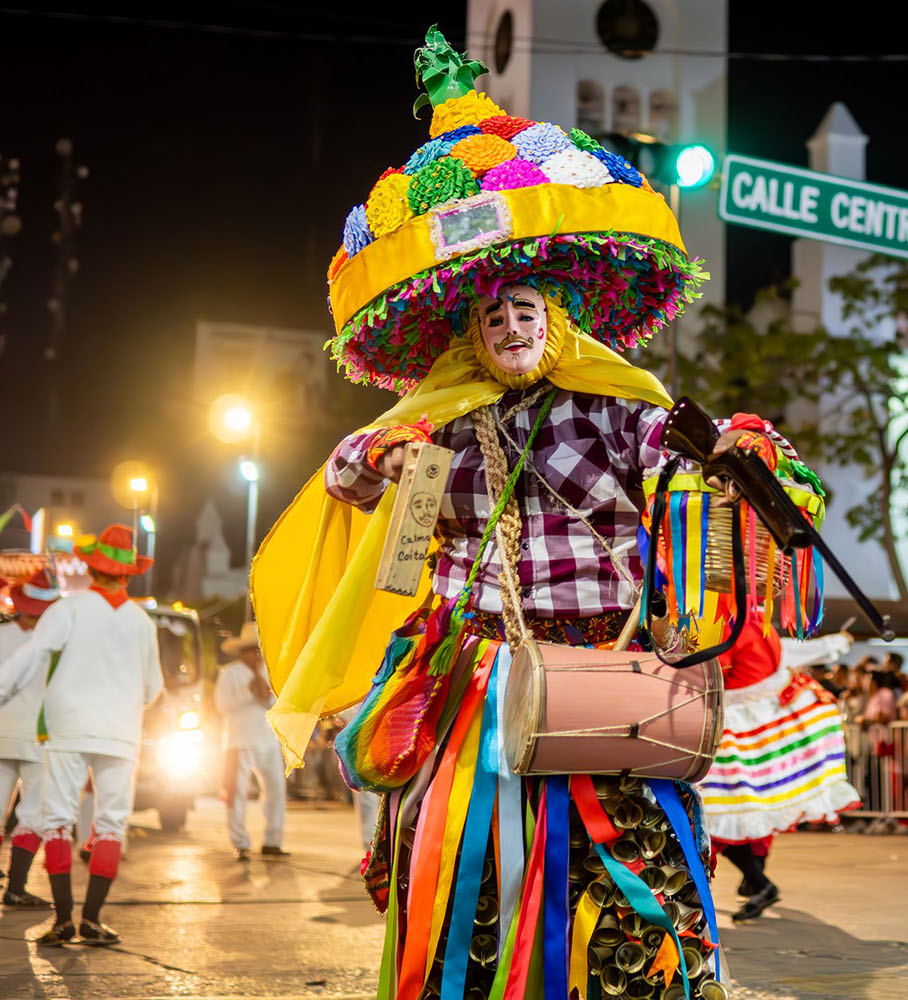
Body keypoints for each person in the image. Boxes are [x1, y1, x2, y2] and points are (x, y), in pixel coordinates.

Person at [251, 32, 828, 996]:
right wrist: (380, 457)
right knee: (458, 865)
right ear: (468, 332)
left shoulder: (613, 405)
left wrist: (741, 450)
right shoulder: (439, 419)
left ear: (555, 317)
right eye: (493, 317)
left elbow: (677, 455)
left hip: (603, 664)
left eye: (525, 312)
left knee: (628, 865)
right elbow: (349, 473)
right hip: (475, 668)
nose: (512, 329)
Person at [0, 525, 162, 945]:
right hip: (120, 733)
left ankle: (62, 921)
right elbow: (151, 690)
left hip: (67, 728)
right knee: (110, 825)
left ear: (91, 567)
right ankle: (92, 920)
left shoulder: (68, 610)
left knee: (57, 821)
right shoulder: (142, 622)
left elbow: (32, 655)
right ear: (127, 573)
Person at [702, 614, 858, 922]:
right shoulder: (745, 622)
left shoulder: (730, 622)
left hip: (742, 730)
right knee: (741, 814)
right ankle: (756, 879)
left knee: (722, 814)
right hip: (751, 725)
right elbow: (786, 651)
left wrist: (836, 644)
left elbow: (778, 652)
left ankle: (759, 882)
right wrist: (837, 643)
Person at [0, 568, 59, 908]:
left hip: (1, 732)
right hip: (38, 737)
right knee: (33, 812)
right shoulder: (53, 644)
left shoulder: (2, 634)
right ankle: (16, 887)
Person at [213, 623, 288, 862]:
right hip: (239, 741)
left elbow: (278, 705)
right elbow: (222, 706)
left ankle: (273, 841)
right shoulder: (229, 673)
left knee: (276, 788)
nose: (255, 654)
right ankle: (240, 842)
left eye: (258, 650)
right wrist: (250, 694)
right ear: (241, 652)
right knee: (237, 792)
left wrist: (263, 692)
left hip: (267, 738)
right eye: (250, 650)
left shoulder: (270, 673)